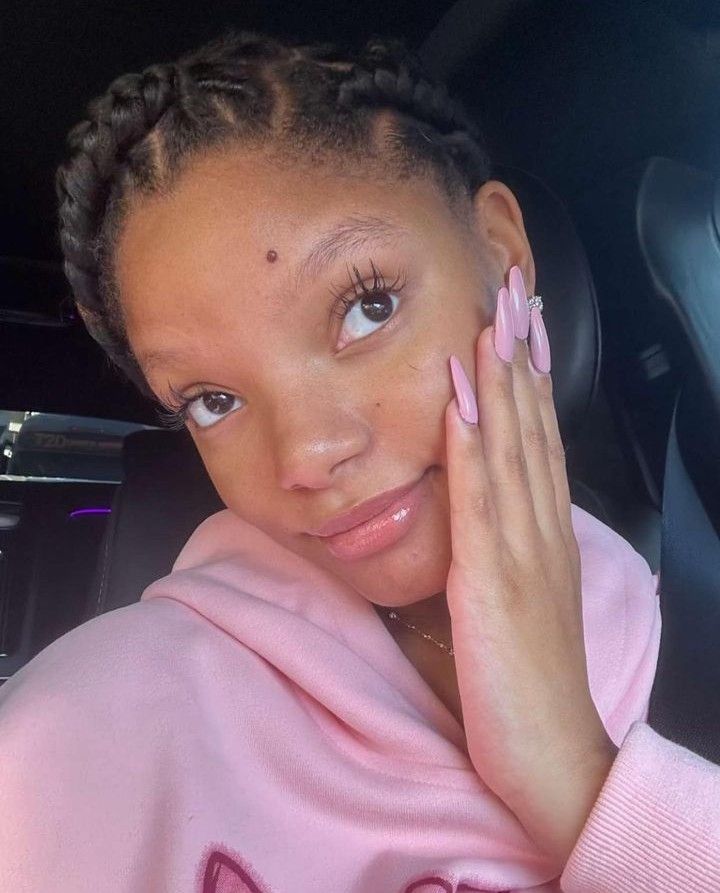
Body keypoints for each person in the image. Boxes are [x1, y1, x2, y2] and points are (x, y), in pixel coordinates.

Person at [1, 29, 718, 893]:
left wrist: (577, 771)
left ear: (502, 255)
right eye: (212, 400)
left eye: (367, 308)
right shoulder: (78, 746)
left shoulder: (675, 609)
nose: (305, 455)